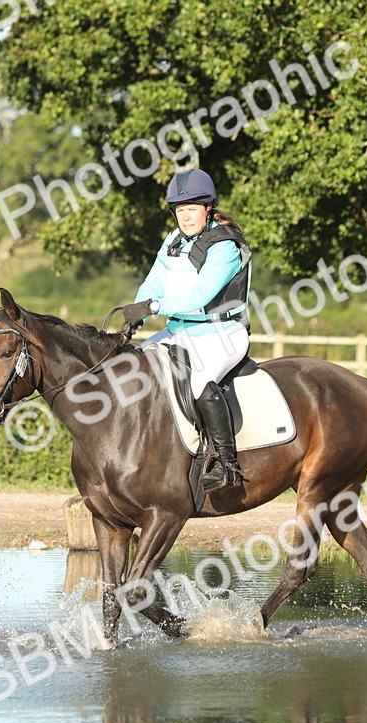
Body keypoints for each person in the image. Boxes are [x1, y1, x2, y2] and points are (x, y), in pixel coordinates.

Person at [119, 169, 253, 494]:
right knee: (131, 367)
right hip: (178, 331)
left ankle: (227, 464)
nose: (186, 217)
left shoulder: (224, 246)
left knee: (198, 381)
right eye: (180, 210)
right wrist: (138, 311)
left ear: (208, 209)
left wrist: (153, 308)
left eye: (192, 209)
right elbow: (154, 281)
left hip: (222, 334)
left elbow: (200, 297)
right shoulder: (173, 240)